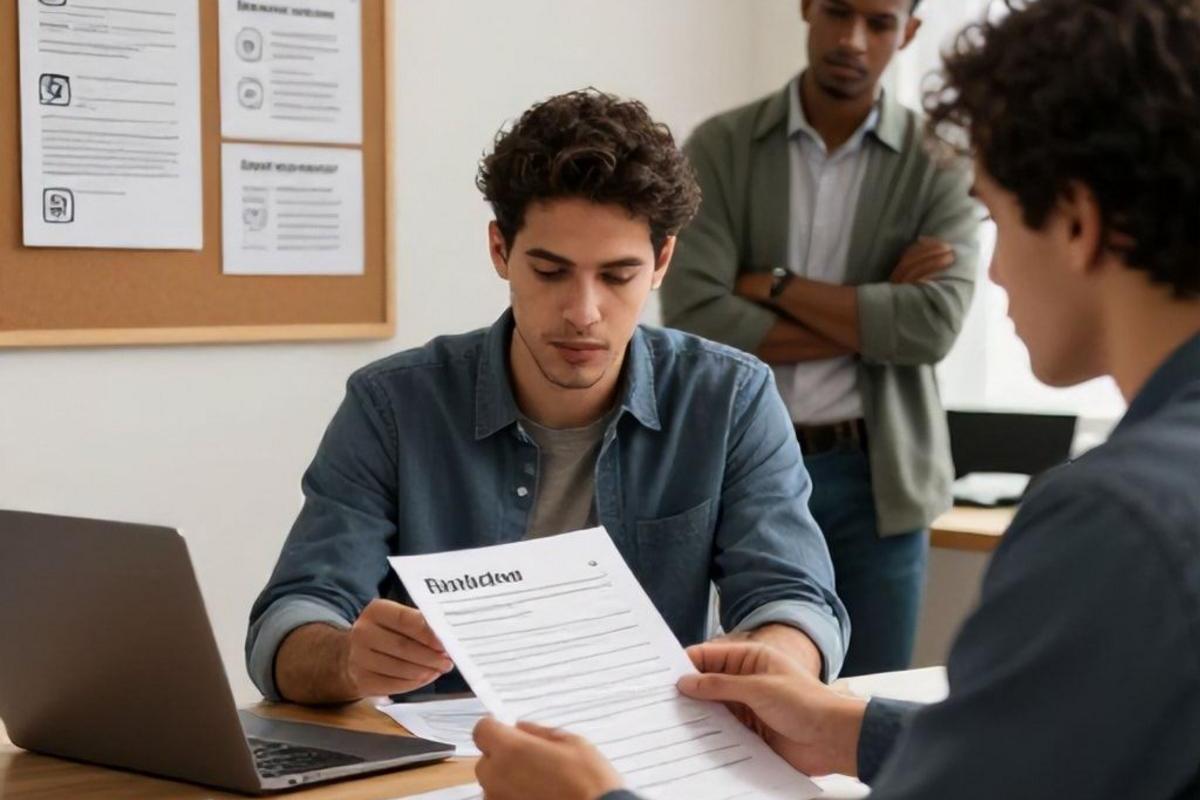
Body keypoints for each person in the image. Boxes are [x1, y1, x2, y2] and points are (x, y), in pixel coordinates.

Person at [472, 1, 1200, 797]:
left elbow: (925, 325)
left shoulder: (1117, 522)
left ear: (1077, 223)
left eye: (992, 218)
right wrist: (852, 731)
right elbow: (1063, 751)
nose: (988, 274)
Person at [245, 89, 851, 706]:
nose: (583, 313)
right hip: (448, 768)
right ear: (500, 251)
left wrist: (776, 656)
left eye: (617, 276)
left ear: (662, 261)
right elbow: (289, 624)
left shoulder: (731, 400)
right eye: (550, 271)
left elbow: (795, 600)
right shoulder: (392, 406)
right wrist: (347, 660)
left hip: (651, 758)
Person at [660, 0, 981, 676]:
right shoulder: (720, 147)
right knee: (734, 699)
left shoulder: (938, 164)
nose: (852, 39)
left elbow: (930, 327)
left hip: (878, 478)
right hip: (737, 466)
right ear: (806, 8)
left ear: (910, 32)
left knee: (867, 700)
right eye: (837, 11)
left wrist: (770, 283)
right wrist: (873, 313)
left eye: (880, 22)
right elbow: (694, 314)